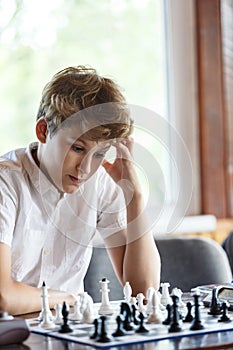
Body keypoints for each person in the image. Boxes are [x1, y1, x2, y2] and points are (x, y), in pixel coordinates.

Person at [0, 65, 161, 315]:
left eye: (99, 154)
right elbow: (4, 297)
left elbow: (144, 291)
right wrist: (68, 298)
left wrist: (134, 196)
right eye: (77, 148)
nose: (85, 168)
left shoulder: (99, 183)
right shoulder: (6, 182)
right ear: (43, 131)